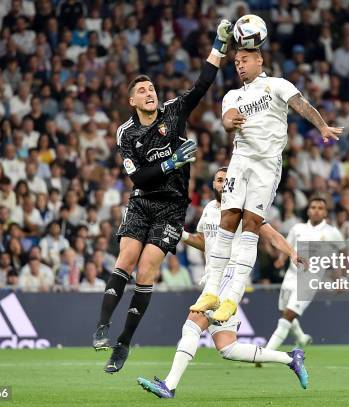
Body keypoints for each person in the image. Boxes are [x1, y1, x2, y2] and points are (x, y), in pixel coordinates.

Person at [92, 19, 234, 374]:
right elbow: (138, 176)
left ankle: (123, 344)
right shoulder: (126, 134)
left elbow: (202, 84)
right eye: (141, 91)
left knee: (147, 270)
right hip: (142, 200)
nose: (149, 92)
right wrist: (173, 160)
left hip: (171, 207)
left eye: (151, 87)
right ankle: (103, 327)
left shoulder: (173, 111)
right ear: (131, 101)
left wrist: (218, 44)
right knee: (125, 257)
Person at [190, 46, 342, 323]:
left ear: (259, 60)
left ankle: (231, 298)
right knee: (227, 220)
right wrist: (228, 121)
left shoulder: (277, 85)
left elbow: (302, 105)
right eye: (236, 62)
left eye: (244, 60)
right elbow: (226, 120)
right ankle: (211, 291)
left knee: (251, 226)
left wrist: (321, 126)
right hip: (240, 160)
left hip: (267, 165)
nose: (239, 65)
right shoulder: (232, 95)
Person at [137, 168, 308, 398]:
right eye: (220, 179)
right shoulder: (208, 210)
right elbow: (204, 242)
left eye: (228, 180)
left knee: (191, 326)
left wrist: (292, 253)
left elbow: (271, 235)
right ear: (214, 185)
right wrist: (181, 235)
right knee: (228, 348)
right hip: (213, 277)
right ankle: (290, 358)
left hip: (231, 275)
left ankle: (169, 385)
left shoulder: (242, 210)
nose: (224, 183)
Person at [262, 196, 344, 363]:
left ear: (325, 212)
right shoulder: (297, 228)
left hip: (309, 281)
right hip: (290, 276)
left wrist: (340, 277)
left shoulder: (332, 233)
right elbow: (289, 247)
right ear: (308, 210)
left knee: (287, 317)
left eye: (320, 208)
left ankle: (265, 354)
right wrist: (281, 260)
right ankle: (302, 338)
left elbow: (343, 253)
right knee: (284, 311)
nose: (316, 210)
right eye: (313, 207)